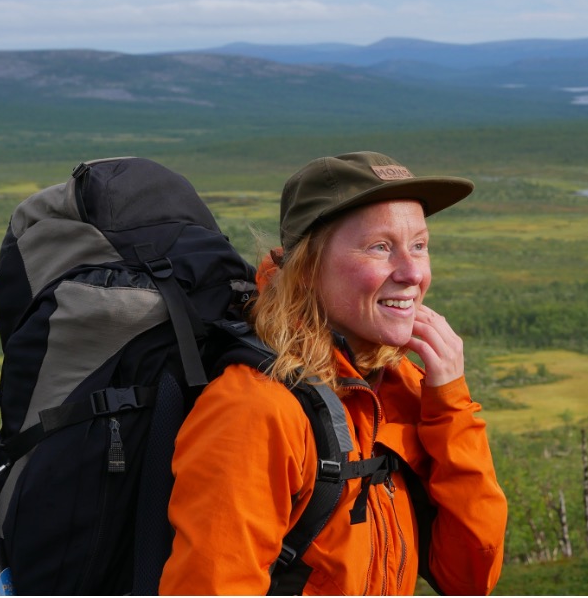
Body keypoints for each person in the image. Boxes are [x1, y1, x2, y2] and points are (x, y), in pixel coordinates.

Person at [159, 151, 508, 595]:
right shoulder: (255, 409)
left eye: (420, 245)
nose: (414, 272)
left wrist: (450, 406)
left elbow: (469, 579)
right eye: (380, 247)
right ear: (307, 268)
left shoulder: (398, 385)